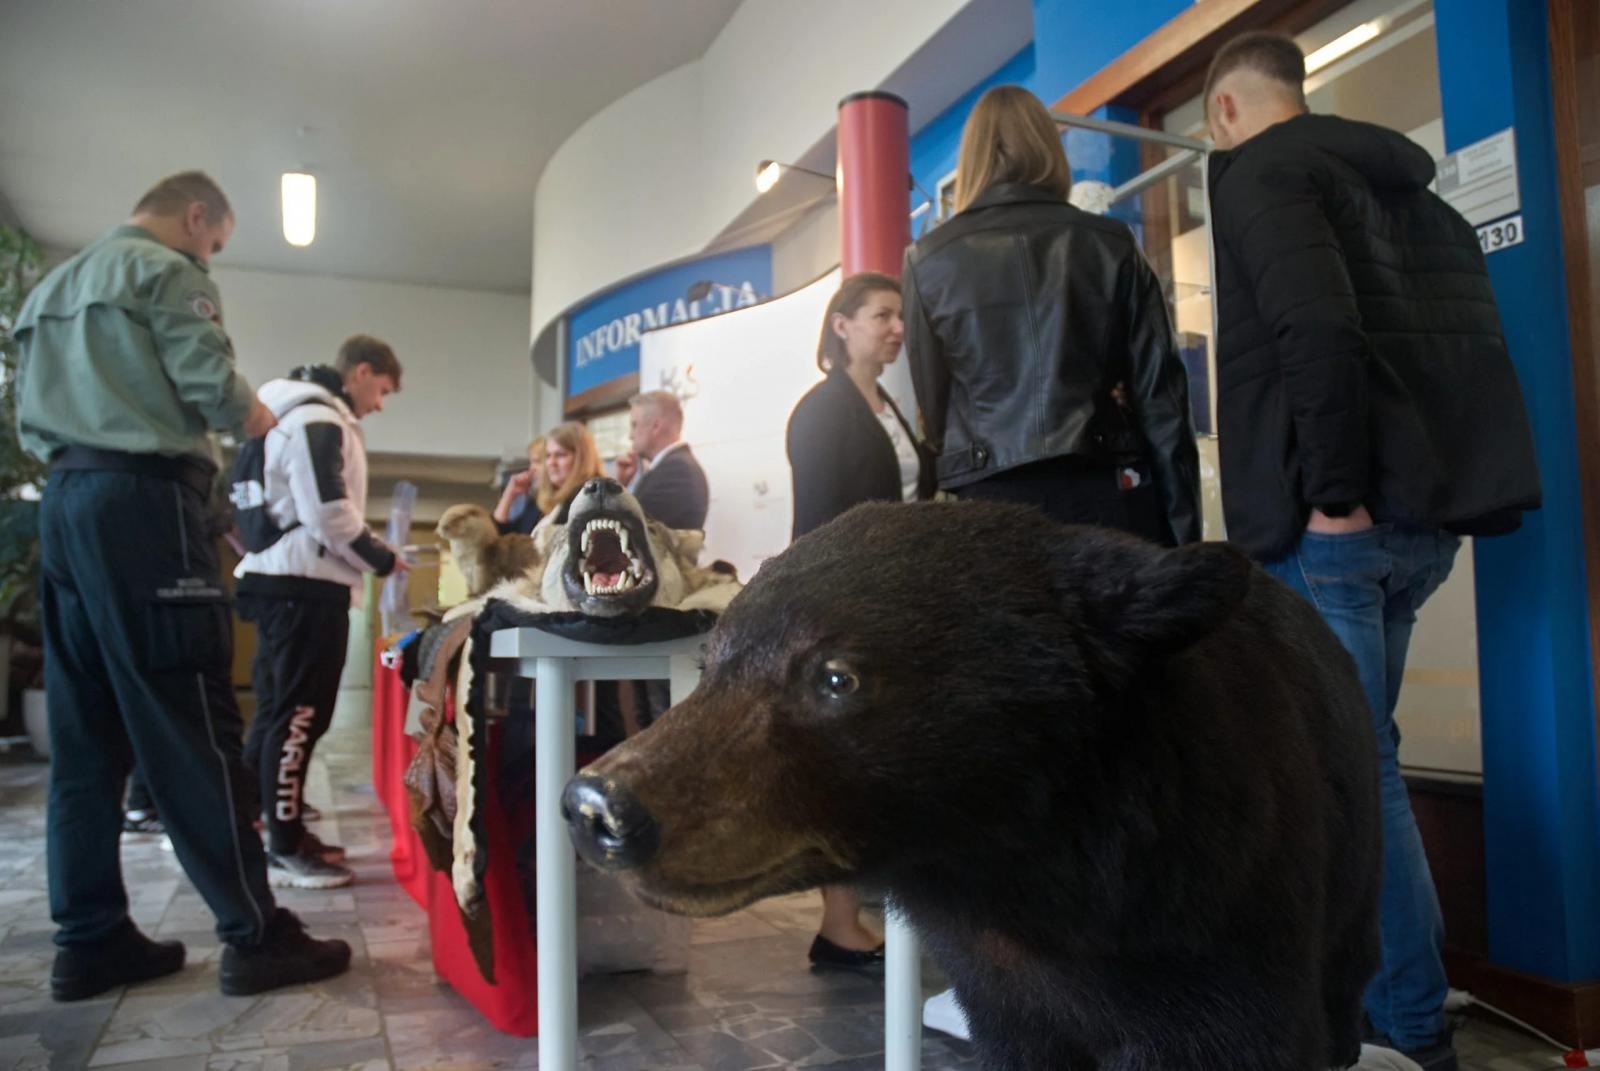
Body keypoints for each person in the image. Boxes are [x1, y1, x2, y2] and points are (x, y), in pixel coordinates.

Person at [1203, 33, 1541, 1071]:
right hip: (1421, 520)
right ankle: (1376, 1004)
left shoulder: (1261, 170)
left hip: (1336, 525)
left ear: (1222, 110)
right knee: (1362, 758)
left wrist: (1333, 494)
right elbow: (1467, 346)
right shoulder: (1417, 198)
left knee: (1358, 772)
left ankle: (1404, 1021)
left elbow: (1314, 332)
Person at [14, 170, 352, 1000]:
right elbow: (212, 388)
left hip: (63, 501)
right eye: (216, 243)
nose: (211, 256)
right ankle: (256, 933)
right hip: (143, 503)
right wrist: (254, 412)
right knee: (192, 718)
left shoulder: (50, 287)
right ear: (197, 216)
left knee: (85, 733)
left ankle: (89, 940)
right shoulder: (167, 272)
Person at [902, 85, 1200, 548]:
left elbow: (936, 411)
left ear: (975, 157)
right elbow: (1163, 406)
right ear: (1049, 149)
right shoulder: (1110, 243)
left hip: (987, 504)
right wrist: (1185, 543)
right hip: (1105, 488)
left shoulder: (927, 260)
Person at [785, 271, 933, 971]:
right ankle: (839, 922)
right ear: (840, 325)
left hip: (895, 603)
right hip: (846, 608)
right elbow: (816, 525)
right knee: (844, 763)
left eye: (900, 315)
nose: (897, 326)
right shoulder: (822, 410)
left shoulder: (889, 409)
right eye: (882, 314)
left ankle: (859, 917)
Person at [235, 336, 407, 889]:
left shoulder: (290, 410)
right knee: (299, 718)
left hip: (288, 583)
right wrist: (383, 558)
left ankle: (267, 827)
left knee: (278, 715)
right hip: (303, 589)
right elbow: (330, 512)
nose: (379, 405)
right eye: (381, 390)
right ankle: (282, 848)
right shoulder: (317, 418)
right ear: (360, 372)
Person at [614, 391, 709, 531]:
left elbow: (626, 529)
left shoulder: (677, 471)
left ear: (656, 426)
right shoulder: (670, 468)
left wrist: (616, 488)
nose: (630, 435)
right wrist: (622, 484)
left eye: (634, 425)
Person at [492, 436, 548, 536]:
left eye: (537, 462)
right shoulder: (532, 504)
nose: (532, 468)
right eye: (531, 462)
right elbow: (499, 533)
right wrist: (508, 496)